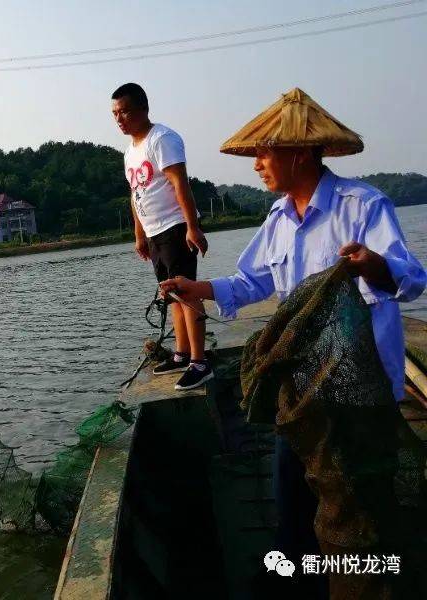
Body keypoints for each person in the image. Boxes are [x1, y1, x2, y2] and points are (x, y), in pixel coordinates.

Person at [158, 87, 426, 594]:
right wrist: (199, 289)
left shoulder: (363, 206)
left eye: (264, 152)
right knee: (294, 521)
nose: (257, 164)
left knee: (362, 517)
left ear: (298, 152)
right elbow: (249, 284)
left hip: (361, 402)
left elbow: (411, 279)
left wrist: (375, 265)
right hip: (302, 399)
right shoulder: (278, 220)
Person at [111, 82, 212, 390]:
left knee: (187, 292)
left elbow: (180, 183)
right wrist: (139, 235)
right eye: (115, 113)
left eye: (125, 111)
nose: (120, 119)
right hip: (154, 232)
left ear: (144, 108)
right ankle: (181, 354)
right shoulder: (130, 151)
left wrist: (192, 226)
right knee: (171, 295)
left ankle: (200, 362)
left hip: (175, 227)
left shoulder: (162, 139)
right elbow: (135, 194)